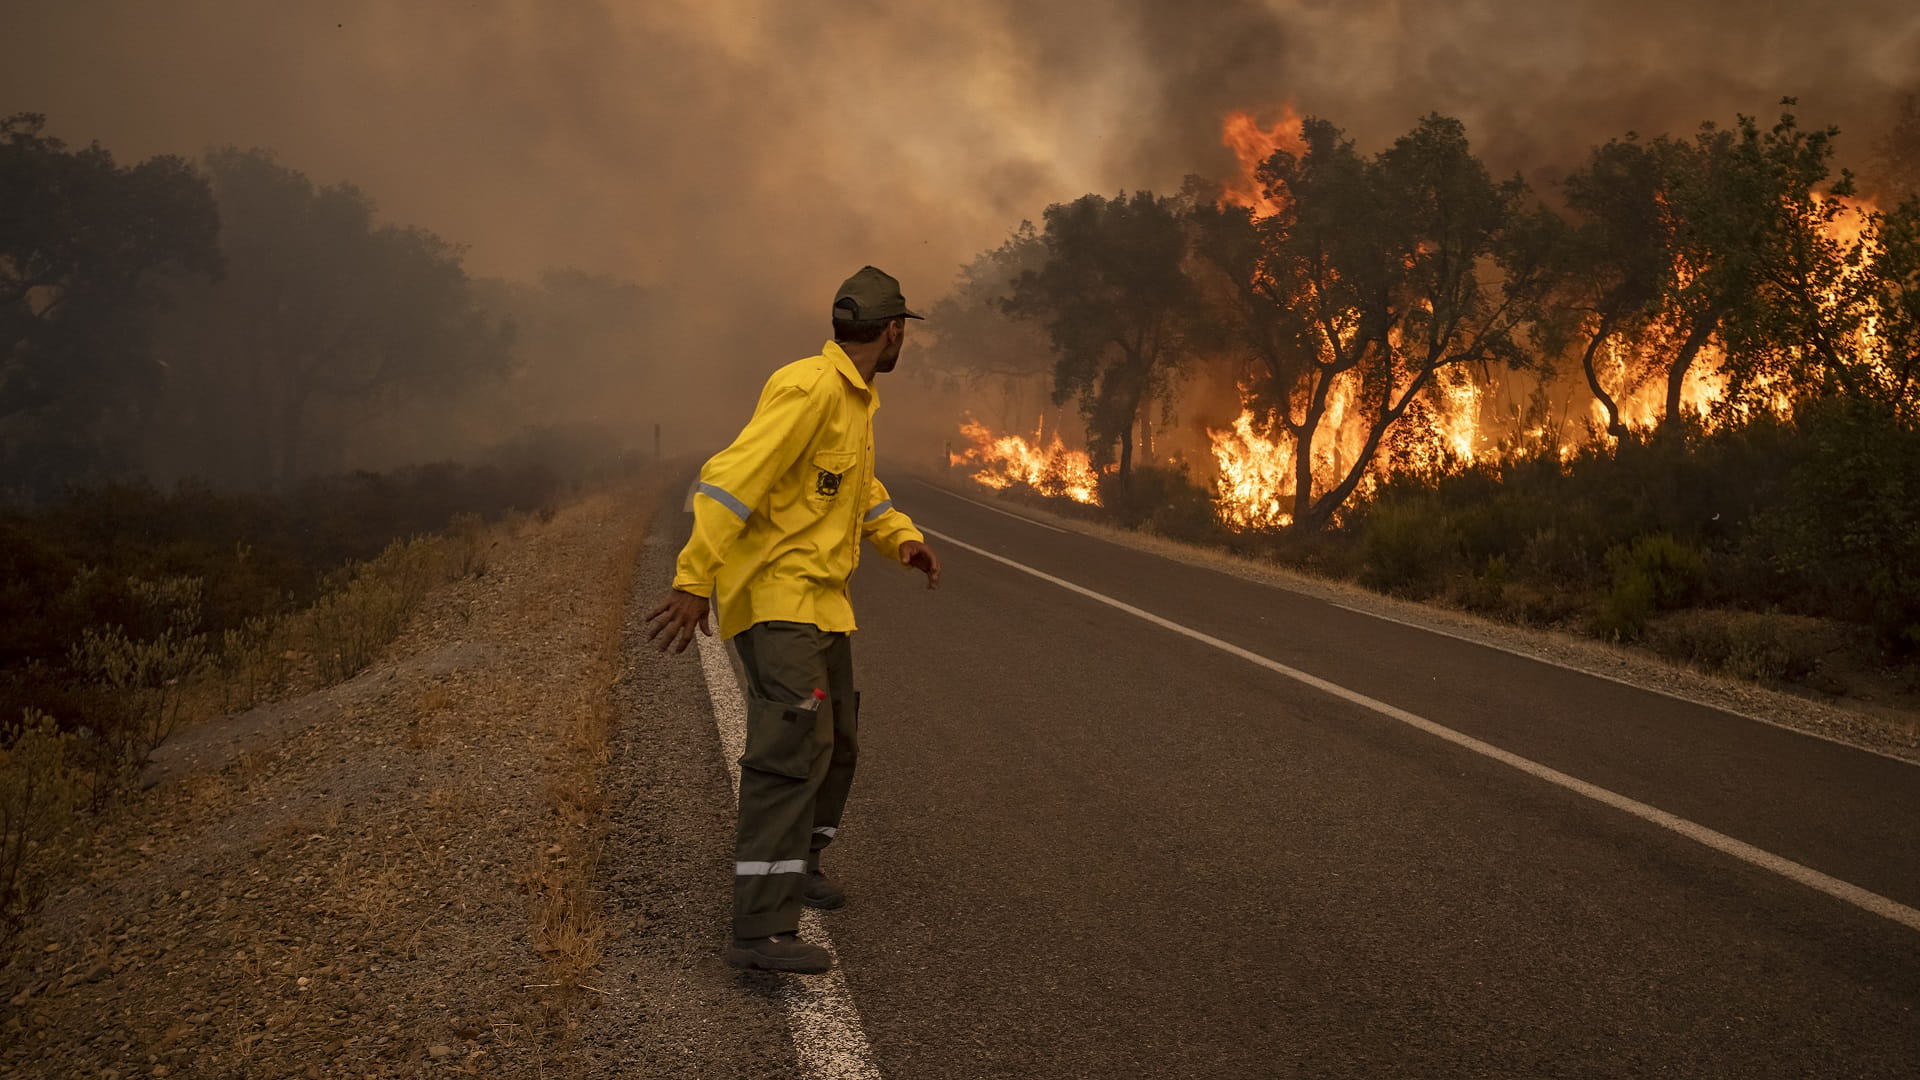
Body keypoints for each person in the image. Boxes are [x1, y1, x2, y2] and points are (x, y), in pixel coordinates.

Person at [646, 266, 942, 974]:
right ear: (893, 330)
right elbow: (728, 480)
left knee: (835, 744)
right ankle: (759, 928)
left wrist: (901, 538)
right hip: (778, 601)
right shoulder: (808, 388)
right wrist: (694, 582)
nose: (905, 340)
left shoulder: (855, 401)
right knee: (786, 754)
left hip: (822, 603)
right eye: (905, 329)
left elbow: (860, 491)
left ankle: (801, 864)